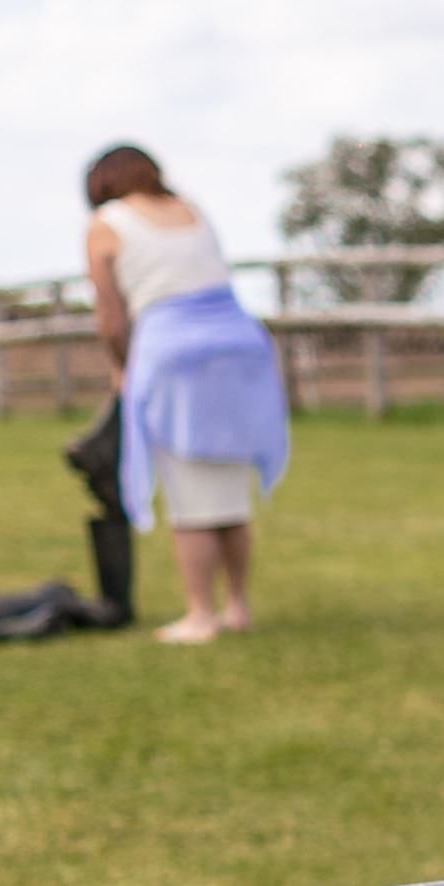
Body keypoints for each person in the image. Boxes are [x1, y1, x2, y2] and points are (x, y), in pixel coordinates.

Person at [83, 145, 291, 647]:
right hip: (240, 348)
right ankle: (236, 605)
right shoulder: (190, 208)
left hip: (175, 354)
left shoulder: (106, 223)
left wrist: (124, 366)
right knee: (229, 490)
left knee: (189, 495)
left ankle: (200, 615)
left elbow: (111, 317)